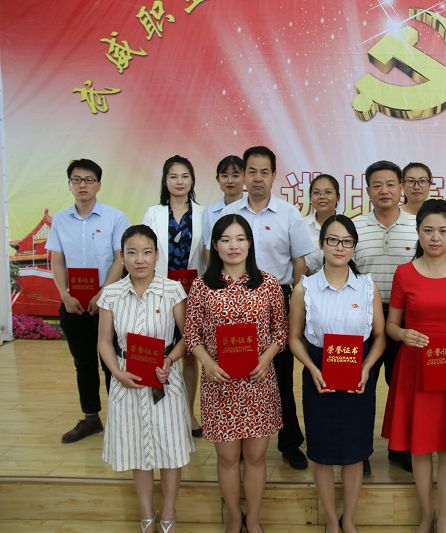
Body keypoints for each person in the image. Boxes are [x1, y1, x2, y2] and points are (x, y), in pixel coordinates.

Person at [382, 199, 446, 533]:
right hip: (415, 368)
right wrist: (403, 334)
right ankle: (426, 513)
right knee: (421, 445)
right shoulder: (404, 273)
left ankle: (444, 517)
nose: (435, 237)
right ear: (418, 232)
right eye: (428, 230)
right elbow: (391, 326)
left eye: (442, 231)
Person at [185, 214, 286, 533]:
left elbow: (280, 331)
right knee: (228, 458)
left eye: (240, 239)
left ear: (250, 243)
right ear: (215, 246)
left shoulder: (268, 284)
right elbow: (192, 334)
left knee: (256, 457)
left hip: (258, 383)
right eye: (225, 240)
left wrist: (266, 357)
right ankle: (233, 518)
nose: (233, 246)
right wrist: (207, 363)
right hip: (220, 385)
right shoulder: (202, 286)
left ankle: (253, 520)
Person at [219, 145, 316, 470]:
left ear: (274, 175)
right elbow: (214, 256)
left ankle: (289, 442)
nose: (258, 178)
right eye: (252, 172)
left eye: (264, 172)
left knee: (281, 375)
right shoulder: (230, 215)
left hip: (277, 302)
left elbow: (299, 262)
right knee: (237, 373)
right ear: (244, 175)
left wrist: (294, 304)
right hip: (232, 304)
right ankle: (238, 438)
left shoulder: (288, 214)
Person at [288, 214, 386, 533]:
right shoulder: (305, 288)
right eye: (333, 240)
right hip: (319, 374)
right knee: (322, 453)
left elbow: (380, 336)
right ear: (322, 244)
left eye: (347, 241)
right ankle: (332, 521)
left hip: (358, 375)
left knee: (355, 453)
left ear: (354, 247)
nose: (340, 247)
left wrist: (367, 368)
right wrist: (312, 368)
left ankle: (350, 519)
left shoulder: (367, 286)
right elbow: (294, 338)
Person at [97, 225, 194, 533]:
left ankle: (168, 514)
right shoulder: (111, 293)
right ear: (122, 256)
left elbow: (188, 337)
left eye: (147, 252)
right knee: (137, 450)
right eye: (132, 253)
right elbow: (104, 342)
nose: (140, 259)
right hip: (127, 378)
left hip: (165, 378)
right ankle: (146, 515)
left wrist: (169, 360)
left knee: (170, 450)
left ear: (157, 255)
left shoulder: (172, 290)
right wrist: (117, 373)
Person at [45, 158, 129, 443]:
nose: (83, 185)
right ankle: (91, 418)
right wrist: (64, 295)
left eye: (89, 179)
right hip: (74, 304)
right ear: (69, 185)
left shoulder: (115, 218)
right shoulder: (60, 220)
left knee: (111, 363)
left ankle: (120, 419)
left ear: (99, 184)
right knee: (83, 362)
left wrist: (104, 292)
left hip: (109, 304)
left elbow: (120, 259)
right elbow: (57, 260)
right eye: (77, 180)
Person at [353, 160, 418, 473]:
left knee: (403, 386)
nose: (384, 190)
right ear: (367, 190)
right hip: (364, 316)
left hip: (404, 318)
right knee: (361, 384)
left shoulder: (417, 226)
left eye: (391, 184)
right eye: (377, 185)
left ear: (401, 188)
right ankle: (360, 450)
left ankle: (400, 447)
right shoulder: (355, 227)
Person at [142, 155, 206, 438]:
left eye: (185, 176)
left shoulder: (204, 214)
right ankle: (156, 413)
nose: (179, 182)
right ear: (165, 181)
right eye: (173, 176)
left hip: (193, 294)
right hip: (160, 291)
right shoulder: (153, 213)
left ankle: (188, 414)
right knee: (157, 351)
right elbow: (144, 251)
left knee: (190, 354)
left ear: (192, 180)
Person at [202, 155, 246, 256]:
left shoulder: (253, 206)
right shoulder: (210, 212)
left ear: (245, 178)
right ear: (218, 179)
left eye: (235, 176)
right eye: (224, 176)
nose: (230, 181)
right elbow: (207, 248)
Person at [303, 174, 340, 275]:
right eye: (316, 193)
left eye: (328, 192)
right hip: (308, 282)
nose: (322, 197)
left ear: (338, 197)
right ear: (310, 197)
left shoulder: (347, 226)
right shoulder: (301, 226)